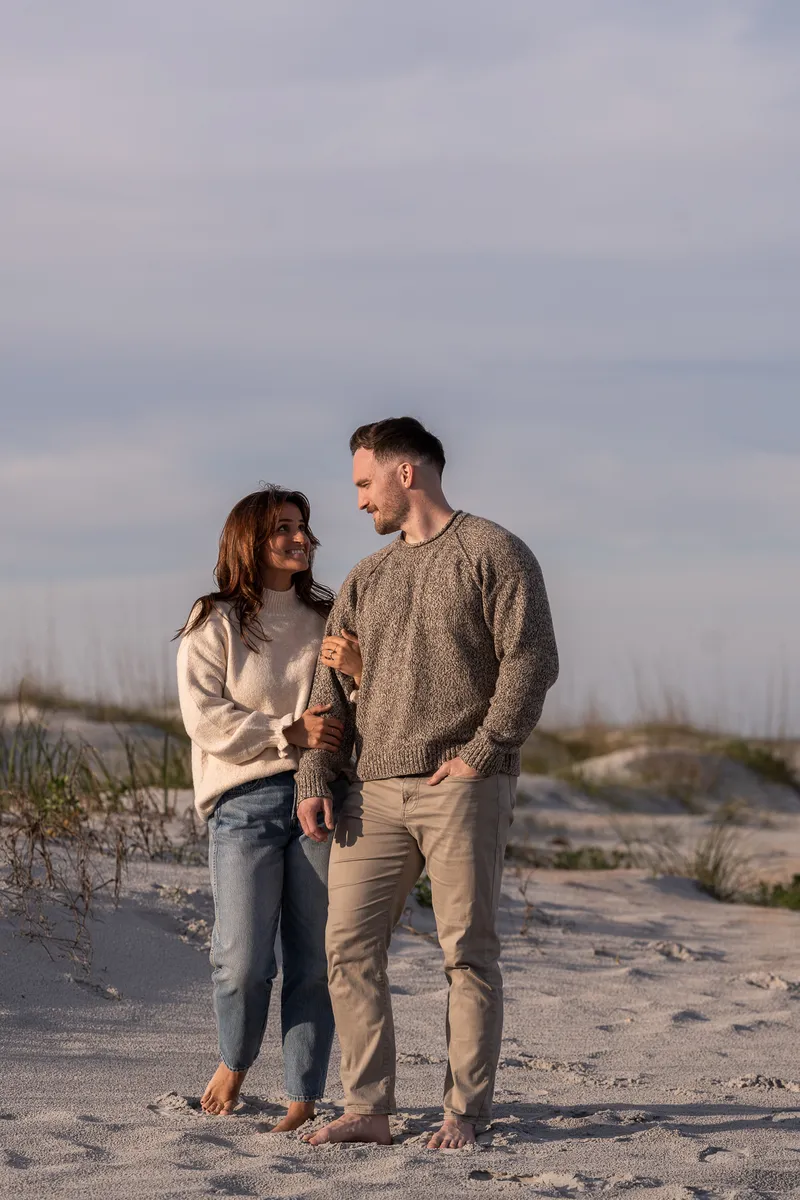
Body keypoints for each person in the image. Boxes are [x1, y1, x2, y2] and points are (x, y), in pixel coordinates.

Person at [295, 417, 559, 1150]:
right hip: (370, 792)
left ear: (405, 472)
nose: (358, 500)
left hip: (462, 786)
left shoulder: (494, 551)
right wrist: (314, 774)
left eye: (364, 483)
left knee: (467, 953)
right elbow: (329, 691)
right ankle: (368, 1108)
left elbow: (532, 661)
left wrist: (481, 753)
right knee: (348, 946)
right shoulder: (365, 577)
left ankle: (463, 1112)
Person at [176, 486, 362, 1131]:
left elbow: (358, 705)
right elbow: (205, 717)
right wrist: (288, 730)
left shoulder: (330, 615)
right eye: (284, 528)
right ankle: (235, 1059)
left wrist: (360, 671)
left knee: (316, 957)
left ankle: (303, 1093)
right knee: (243, 959)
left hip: (323, 798)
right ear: (249, 541)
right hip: (244, 802)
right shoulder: (215, 619)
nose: (300, 538)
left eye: (303, 526)